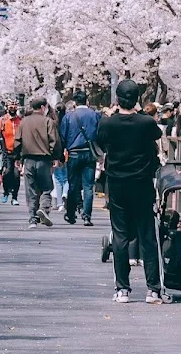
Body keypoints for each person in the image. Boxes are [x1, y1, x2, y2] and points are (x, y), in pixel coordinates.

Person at [96, 79, 170, 305]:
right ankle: (153, 289)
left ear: (117, 99)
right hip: (142, 183)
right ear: (138, 99)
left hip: (117, 184)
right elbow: (157, 136)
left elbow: (100, 141)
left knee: (120, 235)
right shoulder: (146, 123)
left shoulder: (108, 123)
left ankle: (122, 289)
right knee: (147, 234)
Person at [14, 97, 59, 228]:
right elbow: (54, 141)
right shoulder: (48, 121)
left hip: (28, 159)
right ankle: (44, 208)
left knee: (31, 189)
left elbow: (17, 141)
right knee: (46, 188)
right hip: (44, 159)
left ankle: (32, 218)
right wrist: (55, 157)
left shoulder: (23, 122)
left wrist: (17, 158)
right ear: (43, 107)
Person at [60, 91, 101, 225]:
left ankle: (71, 214)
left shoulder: (69, 116)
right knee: (88, 186)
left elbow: (63, 136)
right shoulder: (95, 115)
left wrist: (62, 152)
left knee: (73, 185)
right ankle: (87, 216)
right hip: (90, 153)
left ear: (74, 103)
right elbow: (100, 134)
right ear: (87, 101)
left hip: (74, 153)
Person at [0, 101, 22, 205]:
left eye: (15, 106)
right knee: (7, 172)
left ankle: (15, 196)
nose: (13, 108)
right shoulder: (2, 120)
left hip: (18, 152)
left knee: (16, 175)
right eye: (11, 106)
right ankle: (6, 192)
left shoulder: (20, 120)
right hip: (6, 151)